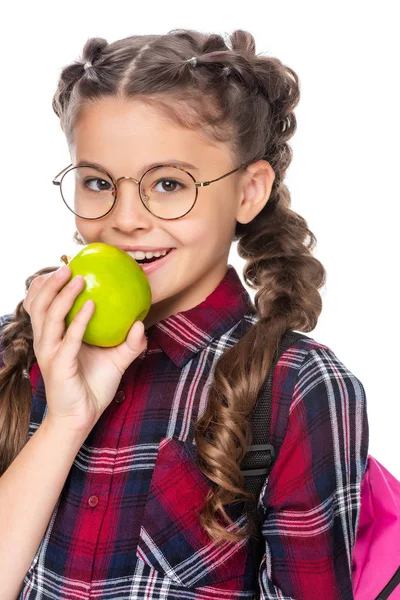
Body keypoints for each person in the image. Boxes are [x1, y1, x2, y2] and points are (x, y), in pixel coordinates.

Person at [0, 28, 369, 600]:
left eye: (168, 184)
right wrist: (65, 422)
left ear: (249, 191)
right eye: (99, 183)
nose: (125, 219)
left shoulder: (297, 389)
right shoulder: (19, 348)